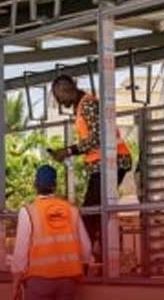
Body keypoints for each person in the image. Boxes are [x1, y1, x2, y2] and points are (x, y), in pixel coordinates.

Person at [48, 74, 132, 253]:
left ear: (66, 89)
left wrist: (68, 151)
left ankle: (85, 259)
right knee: (96, 212)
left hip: (111, 162)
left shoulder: (87, 104)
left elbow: (96, 138)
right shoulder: (83, 105)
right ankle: (101, 254)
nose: (59, 101)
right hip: (105, 163)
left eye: (58, 97)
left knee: (90, 212)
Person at [12, 165, 92, 300]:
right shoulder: (71, 210)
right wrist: (85, 269)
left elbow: (20, 253)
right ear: (55, 185)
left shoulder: (28, 212)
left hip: (39, 283)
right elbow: (86, 249)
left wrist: (15, 282)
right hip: (68, 282)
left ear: (35, 185)